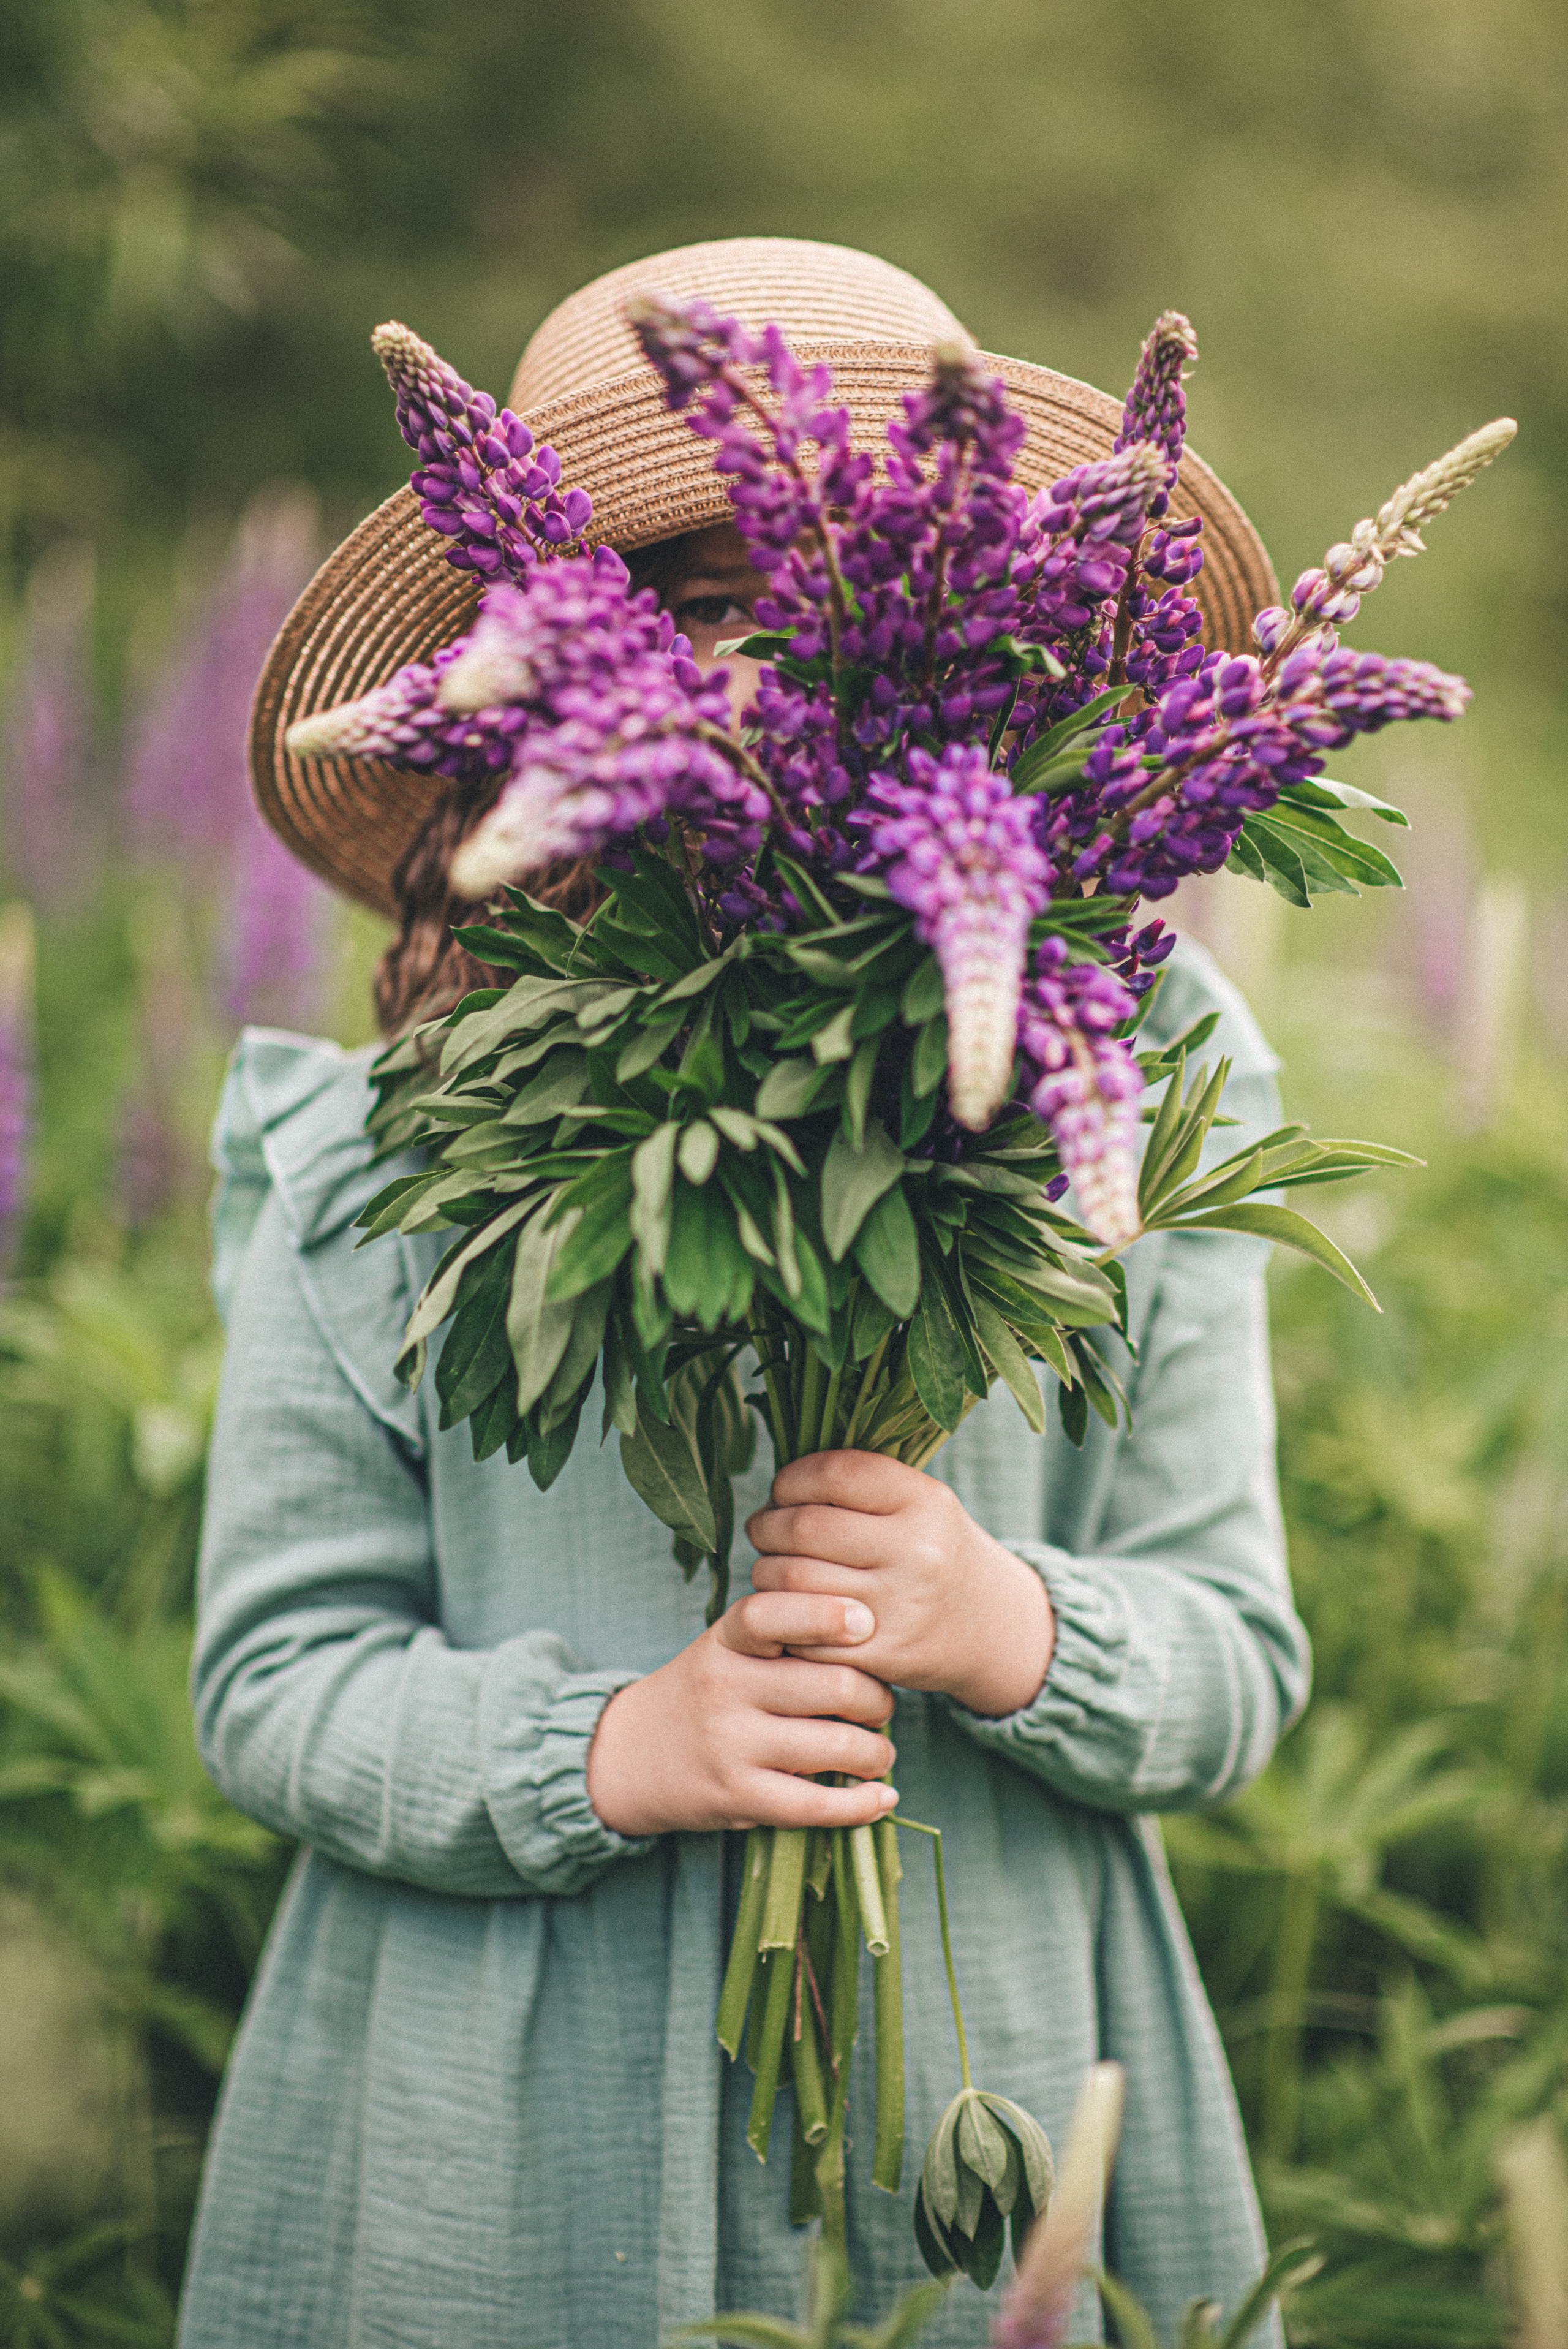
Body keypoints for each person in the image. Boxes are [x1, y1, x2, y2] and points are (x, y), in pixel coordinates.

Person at [179, 238, 1310, 2349]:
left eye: (835, 614)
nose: (759, 682)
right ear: (529, 688)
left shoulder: (1137, 1064)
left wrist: (1015, 1624)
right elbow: (273, 1678)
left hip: (984, 2082)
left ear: (994, 649)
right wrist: (611, 1744)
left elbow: (1237, 1654)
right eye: (684, 614)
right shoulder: (377, 1147)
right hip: (506, 2140)